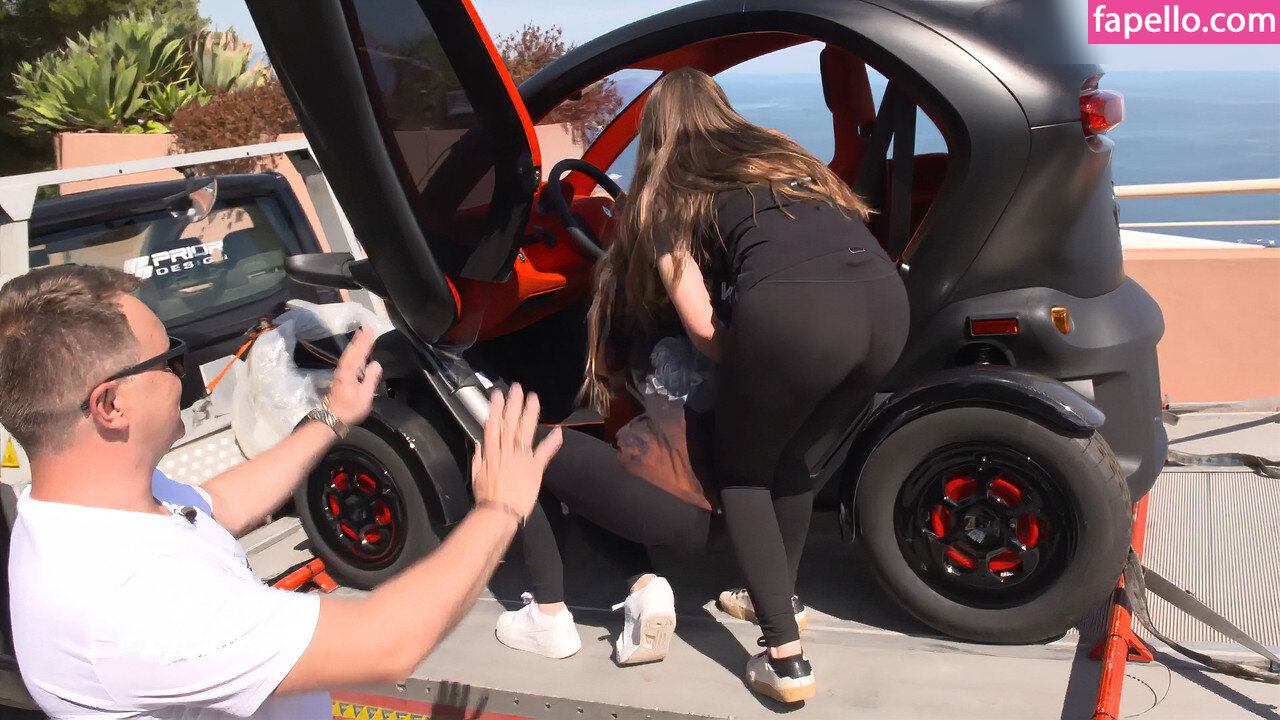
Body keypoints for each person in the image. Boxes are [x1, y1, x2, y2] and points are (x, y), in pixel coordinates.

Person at [496, 67, 910, 704]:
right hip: (886, 304)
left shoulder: (670, 191)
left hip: (797, 314)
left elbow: (703, 328)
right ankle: (784, 599)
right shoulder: (783, 159)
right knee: (793, 460)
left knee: (745, 476)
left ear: (656, 133)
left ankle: (786, 659)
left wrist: (742, 359)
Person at [0, 264, 562, 719]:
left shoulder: (80, 507)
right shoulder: (128, 601)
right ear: (110, 405)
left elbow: (217, 505)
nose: (183, 370)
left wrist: (331, 416)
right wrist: (499, 507)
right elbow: (387, 642)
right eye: (169, 358)